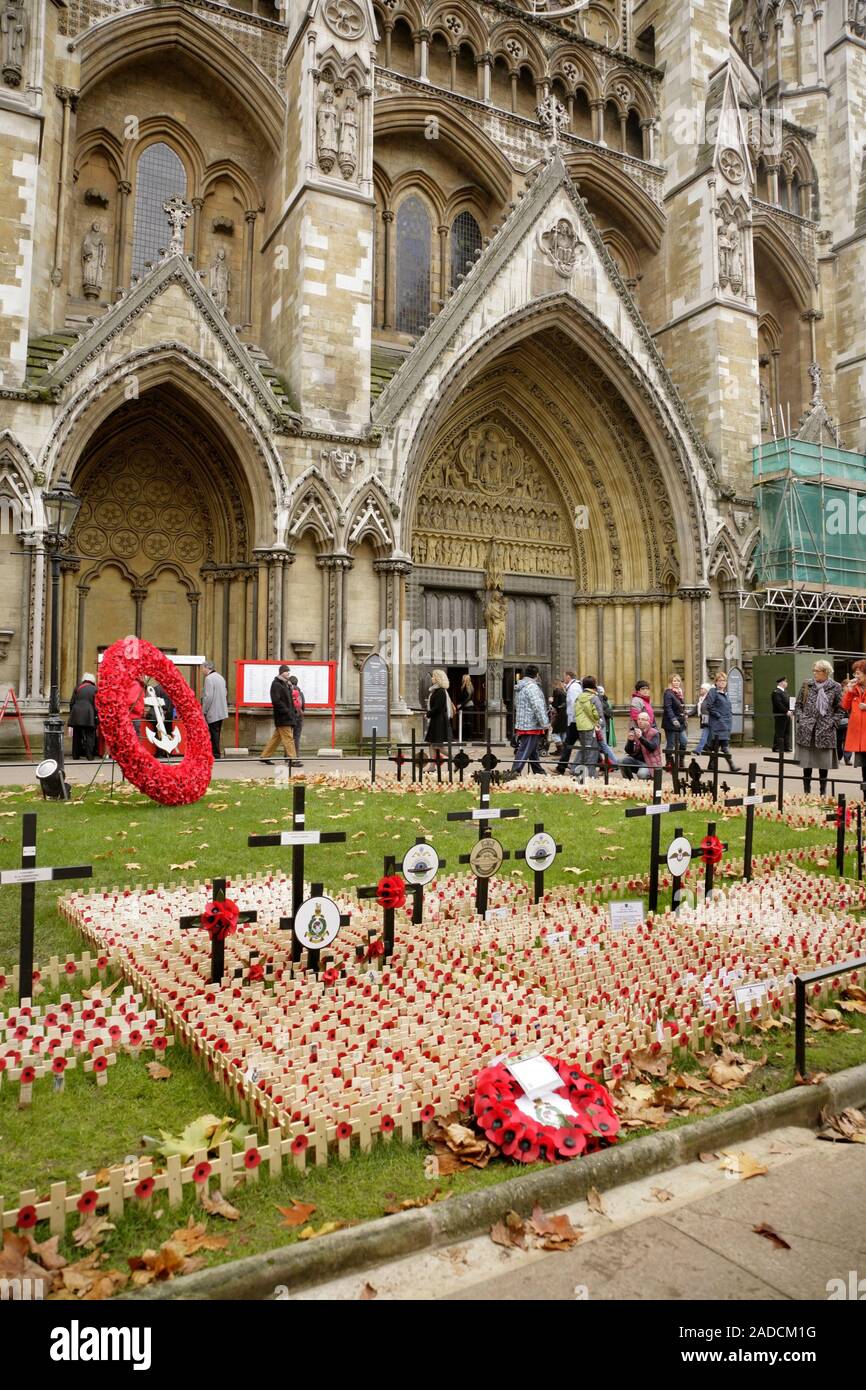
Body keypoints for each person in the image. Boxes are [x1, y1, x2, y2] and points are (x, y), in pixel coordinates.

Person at [795, 660, 843, 797]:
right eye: (814, 670)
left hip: (825, 729)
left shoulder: (835, 687)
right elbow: (798, 705)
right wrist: (801, 719)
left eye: (817, 671)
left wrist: (833, 723)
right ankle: (806, 792)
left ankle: (823, 792)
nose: (814, 673)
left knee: (823, 763)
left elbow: (841, 709)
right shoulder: (807, 685)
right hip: (807, 729)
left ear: (826, 672)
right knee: (807, 762)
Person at [511, 664, 550, 775]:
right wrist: (544, 722)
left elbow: (515, 704)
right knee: (526, 747)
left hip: (523, 721)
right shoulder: (532, 687)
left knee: (533, 750)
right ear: (536, 675)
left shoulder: (520, 687)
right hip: (532, 723)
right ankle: (515, 770)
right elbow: (537, 706)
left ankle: (538, 771)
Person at [259, 664, 299, 764]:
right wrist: (286, 711)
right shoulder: (276, 684)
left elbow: (289, 700)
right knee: (289, 738)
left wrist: (292, 711)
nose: (288, 673)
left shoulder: (286, 684)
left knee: (276, 739)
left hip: (287, 715)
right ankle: (292, 760)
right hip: (283, 716)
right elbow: (276, 701)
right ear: (281, 672)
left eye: (289, 671)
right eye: (286, 671)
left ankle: (265, 756)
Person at [703, 671, 741, 773]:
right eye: (720, 680)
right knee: (723, 746)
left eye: (724, 681)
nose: (722, 682)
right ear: (716, 682)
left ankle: (711, 765)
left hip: (726, 724)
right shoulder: (713, 692)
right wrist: (718, 715)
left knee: (719, 746)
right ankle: (732, 766)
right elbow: (709, 706)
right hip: (717, 723)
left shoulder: (725, 694)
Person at [567, 675, 602, 778]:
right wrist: (598, 722)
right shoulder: (593, 697)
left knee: (584, 749)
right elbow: (598, 713)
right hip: (590, 727)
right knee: (591, 751)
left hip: (581, 726)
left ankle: (574, 768)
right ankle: (590, 774)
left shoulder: (579, 697)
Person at [841, 659, 866, 797]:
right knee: (864, 769)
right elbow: (845, 706)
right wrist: (849, 691)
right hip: (860, 737)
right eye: (855, 673)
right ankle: (865, 798)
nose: (856, 676)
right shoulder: (854, 689)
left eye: (858, 673)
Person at [619, 711, 663, 779]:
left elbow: (652, 747)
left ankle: (647, 784)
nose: (640, 721)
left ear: (648, 721)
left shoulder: (655, 733)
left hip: (649, 763)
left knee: (642, 774)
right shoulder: (635, 731)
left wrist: (641, 737)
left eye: (642, 719)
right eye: (638, 719)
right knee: (621, 761)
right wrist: (630, 741)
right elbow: (629, 751)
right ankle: (629, 782)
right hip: (636, 761)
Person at [555, 670, 583, 773]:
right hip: (574, 721)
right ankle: (561, 767)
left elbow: (576, 704)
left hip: (575, 722)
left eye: (564, 677)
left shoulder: (574, 687)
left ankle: (561, 768)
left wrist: (573, 720)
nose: (564, 679)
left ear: (568, 676)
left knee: (572, 744)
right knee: (570, 744)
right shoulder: (572, 687)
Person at [201, 660, 228, 759]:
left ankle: (215, 754)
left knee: (213, 733)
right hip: (222, 710)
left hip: (213, 711)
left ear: (207, 667)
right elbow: (225, 692)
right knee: (217, 732)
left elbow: (208, 697)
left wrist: (203, 710)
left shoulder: (209, 678)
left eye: (202, 668)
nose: (202, 670)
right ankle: (215, 753)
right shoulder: (220, 677)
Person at [425, 669, 453, 761]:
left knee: (438, 746)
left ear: (437, 678)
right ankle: (432, 766)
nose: (432, 678)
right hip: (435, 721)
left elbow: (438, 707)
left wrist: (428, 714)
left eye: (433, 676)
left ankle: (456, 759)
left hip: (439, 722)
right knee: (432, 744)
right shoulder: (436, 691)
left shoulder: (440, 691)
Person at [68, 673, 98, 759]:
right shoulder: (95, 689)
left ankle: (75, 755)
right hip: (89, 714)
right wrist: (96, 716)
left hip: (76, 713)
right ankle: (89, 756)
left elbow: (72, 702)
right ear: (92, 681)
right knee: (89, 735)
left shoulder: (77, 688)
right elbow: (96, 705)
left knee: (76, 735)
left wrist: (72, 714)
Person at [661, 675, 688, 767]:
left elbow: (680, 707)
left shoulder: (679, 693)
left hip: (680, 722)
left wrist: (685, 714)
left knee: (684, 741)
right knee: (671, 744)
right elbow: (667, 707)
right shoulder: (668, 693)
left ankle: (681, 760)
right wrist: (673, 719)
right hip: (670, 723)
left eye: (678, 681)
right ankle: (669, 763)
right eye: (674, 681)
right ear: (670, 682)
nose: (676, 683)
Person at [596, 684, 619, 770]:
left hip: (601, 725)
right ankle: (607, 764)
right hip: (603, 724)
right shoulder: (603, 700)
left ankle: (612, 763)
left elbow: (607, 712)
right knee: (600, 746)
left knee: (603, 745)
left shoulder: (601, 700)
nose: (601, 693)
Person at [288, 674, 306, 766]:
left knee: (288, 738)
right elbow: (303, 706)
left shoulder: (288, 691)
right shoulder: (300, 692)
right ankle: (296, 756)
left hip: (290, 717)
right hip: (299, 717)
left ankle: (287, 756)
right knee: (296, 737)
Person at [771, 677, 792, 754]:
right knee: (779, 731)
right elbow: (778, 704)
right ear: (781, 683)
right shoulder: (776, 692)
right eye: (785, 682)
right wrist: (786, 711)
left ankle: (786, 747)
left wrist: (791, 710)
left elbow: (788, 702)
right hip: (780, 714)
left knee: (786, 731)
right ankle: (776, 747)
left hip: (787, 714)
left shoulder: (784, 692)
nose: (787, 683)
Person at [549, 680, 567, 751]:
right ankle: (564, 750)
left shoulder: (556, 691)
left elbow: (555, 705)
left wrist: (551, 701)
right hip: (565, 714)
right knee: (563, 733)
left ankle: (560, 750)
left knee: (555, 733)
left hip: (559, 715)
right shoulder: (564, 692)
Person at [694, 682, 712, 754]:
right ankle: (707, 748)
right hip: (704, 718)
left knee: (704, 734)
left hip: (708, 719)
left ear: (707, 690)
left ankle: (698, 750)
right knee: (708, 735)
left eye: (702, 689)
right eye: (700, 688)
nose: (700, 690)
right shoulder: (701, 699)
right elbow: (695, 709)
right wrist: (687, 714)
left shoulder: (709, 698)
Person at [457, 674, 475, 741]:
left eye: (463, 678)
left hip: (469, 706)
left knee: (469, 722)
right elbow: (462, 697)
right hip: (465, 706)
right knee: (465, 722)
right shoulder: (463, 687)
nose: (463, 679)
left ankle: (469, 737)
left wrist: (460, 705)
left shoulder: (469, 687)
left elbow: (468, 698)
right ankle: (465, 736)